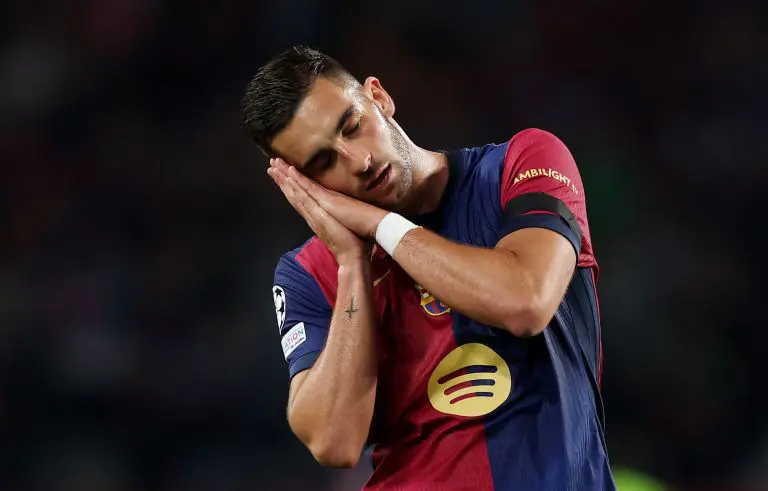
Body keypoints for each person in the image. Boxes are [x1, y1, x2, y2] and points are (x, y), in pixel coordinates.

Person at [241, 45, 615, 491]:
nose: (359, 162)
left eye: (353, 126)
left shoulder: (521, 163)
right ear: (304, 184)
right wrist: (353, 265)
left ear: (378, 97)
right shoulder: (309, 272)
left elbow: (525, 302)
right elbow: (333, 441)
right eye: (324, 162)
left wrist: (383, 226)